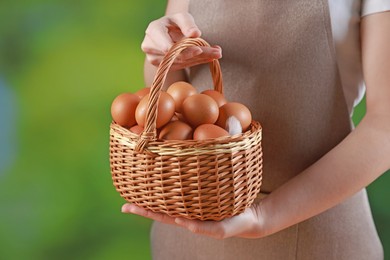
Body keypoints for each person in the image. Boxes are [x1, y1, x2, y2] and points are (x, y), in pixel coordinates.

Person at [121, 0, 390, 259]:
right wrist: (162, 56)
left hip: (315, 235)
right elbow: (177, 99)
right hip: (187, 234)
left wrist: (265, 215)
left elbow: (385, 127)